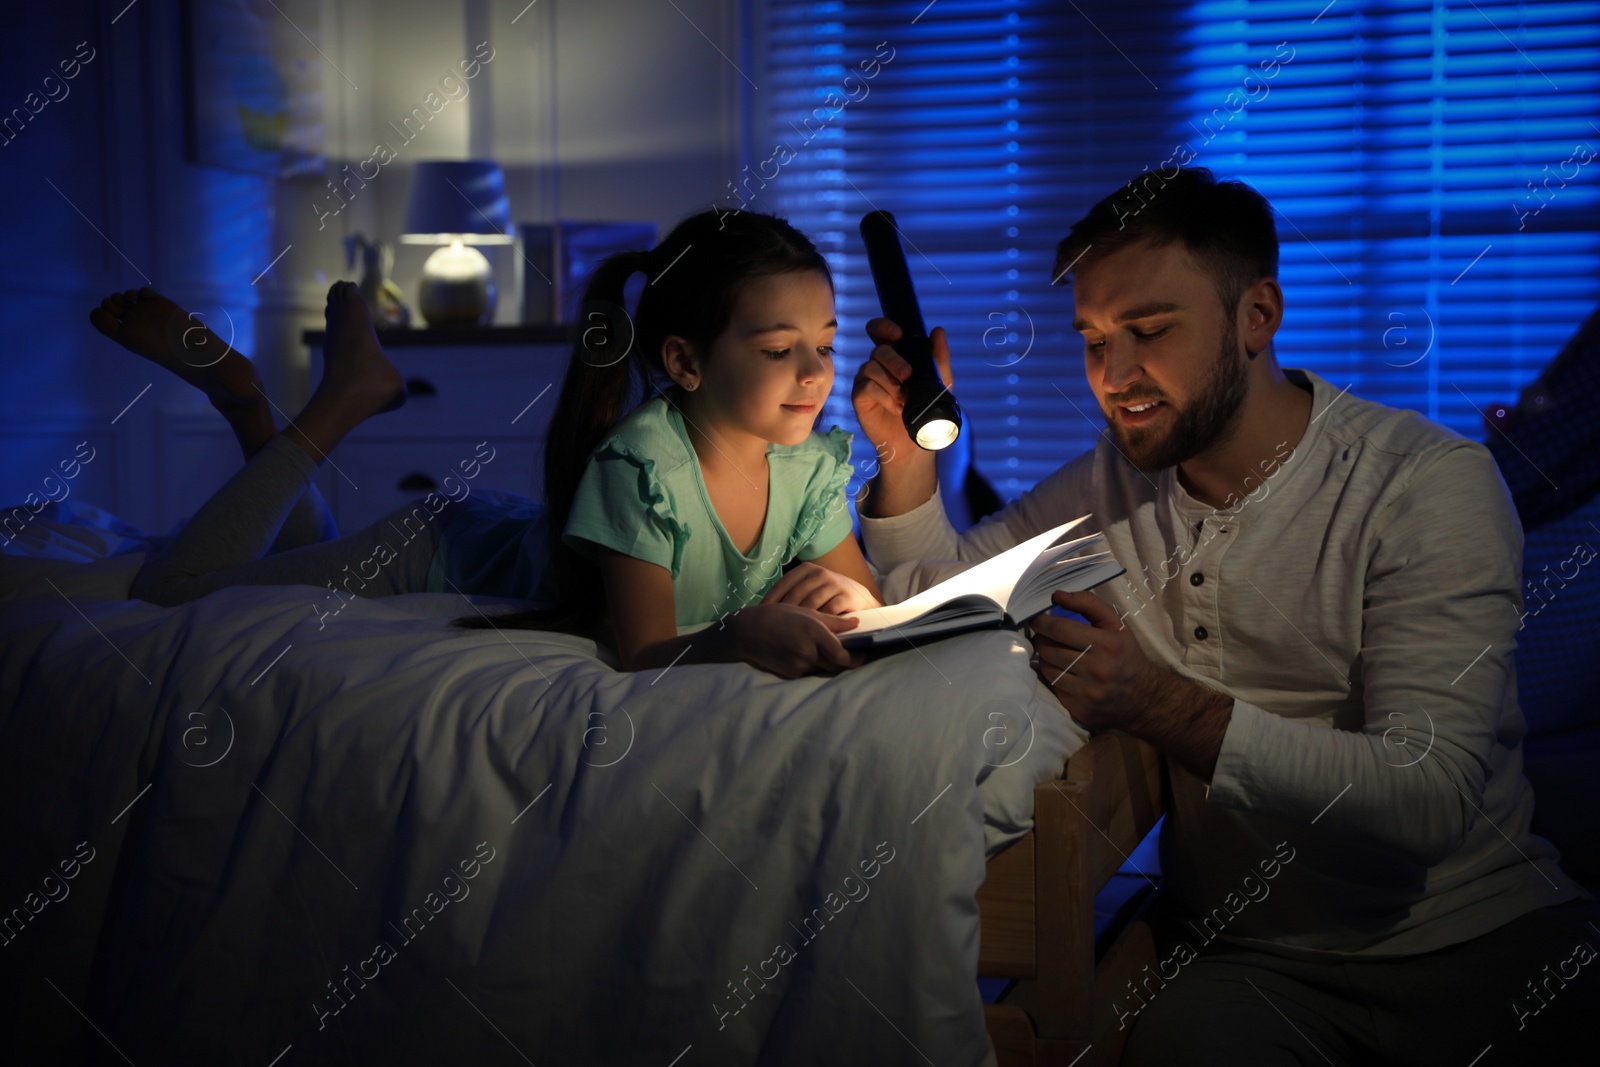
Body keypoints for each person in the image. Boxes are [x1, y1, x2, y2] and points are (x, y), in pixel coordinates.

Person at [851, 168, 1593, 1064]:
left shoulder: (1422, 485)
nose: (1113, 376)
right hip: (1251, 960)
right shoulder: (1111, 487)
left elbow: (1425, 795)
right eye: (1093, 338)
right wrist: (902, 456)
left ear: (1257, 317)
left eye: (1151, 331)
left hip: (1481, 937)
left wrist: (1155, 701)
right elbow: (936, 593)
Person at [92, 209, 880, 679]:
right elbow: (644, 652)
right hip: (430, 549)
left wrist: (847, 597)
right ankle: (326, 402)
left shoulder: (809, 460)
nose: (816, 372)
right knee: (170, 594)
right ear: (685, 361)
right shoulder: (643, 467)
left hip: (504, 528)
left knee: (282, 569)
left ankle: (253, 414)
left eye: (825, 342)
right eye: (781, 350)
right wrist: (738, 632)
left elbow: (866, 595)